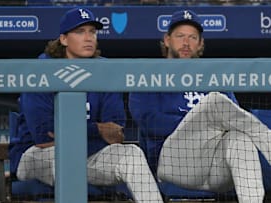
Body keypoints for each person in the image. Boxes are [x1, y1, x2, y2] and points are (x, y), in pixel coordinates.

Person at [9, 7, 163, 203]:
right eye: (80, 32)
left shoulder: (104, 69)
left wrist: (69, 132)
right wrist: (98, 129)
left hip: (88, 153)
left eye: (92, 31)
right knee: (64, 156)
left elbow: (116, 132)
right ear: (64, 39)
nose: (88, 37)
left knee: (132, 153)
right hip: (35, 156)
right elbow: (43, 135)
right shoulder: (42, 69)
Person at [129, 10, 266, 202]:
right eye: (180, 36)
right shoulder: (149, 76)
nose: (186, 43)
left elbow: (234, 119)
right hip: (172, 163)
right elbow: (150, 122)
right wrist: (202, 123)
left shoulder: (214, 78)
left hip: (213, 164)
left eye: (193, 37)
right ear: (167, 40)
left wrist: (205, 126)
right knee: (213, 103)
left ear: (201, 43)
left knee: (239, 139)